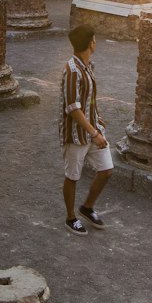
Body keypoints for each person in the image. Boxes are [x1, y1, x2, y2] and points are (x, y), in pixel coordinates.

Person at [60, 25, 113, 235]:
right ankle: (71, 217)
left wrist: (97, 119)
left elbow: (88, 99)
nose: (96, 42)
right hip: (76, 134)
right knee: (72, 176)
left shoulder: (88, 66)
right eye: (95, 39)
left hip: (93, 128)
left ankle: (87, 207)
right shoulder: (72, 70)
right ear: (90, 42)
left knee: (106, 170)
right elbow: (73, 108)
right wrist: (94, 133)